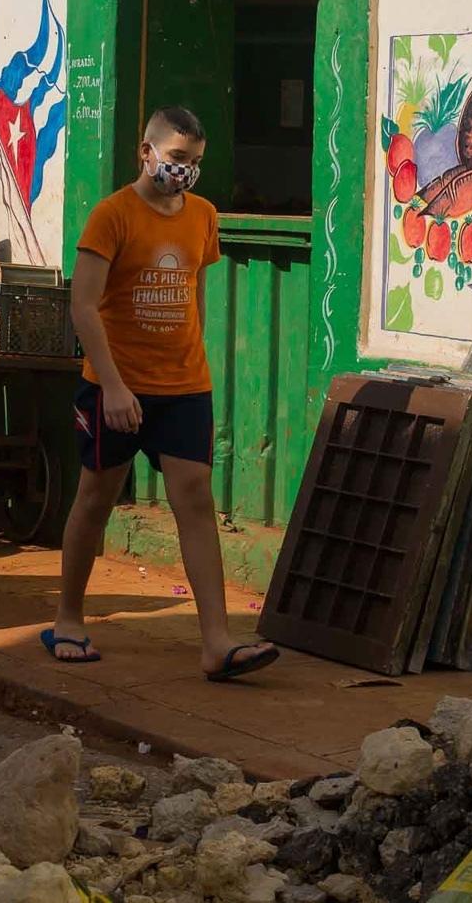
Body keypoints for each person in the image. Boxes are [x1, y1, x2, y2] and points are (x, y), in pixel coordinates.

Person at [47, 106, 281, 682]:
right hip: (115, 387)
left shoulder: (202, 216)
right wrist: (116, 386)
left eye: (195, 162)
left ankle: (217, 644)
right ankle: (69, 618)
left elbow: (194, 295)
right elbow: (83, 307)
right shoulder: (111, 216)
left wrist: (193, 368)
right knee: (96, 497)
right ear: (145, 152)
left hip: (183, 387)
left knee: (196, 501)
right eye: (177, 158)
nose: (185, 171)